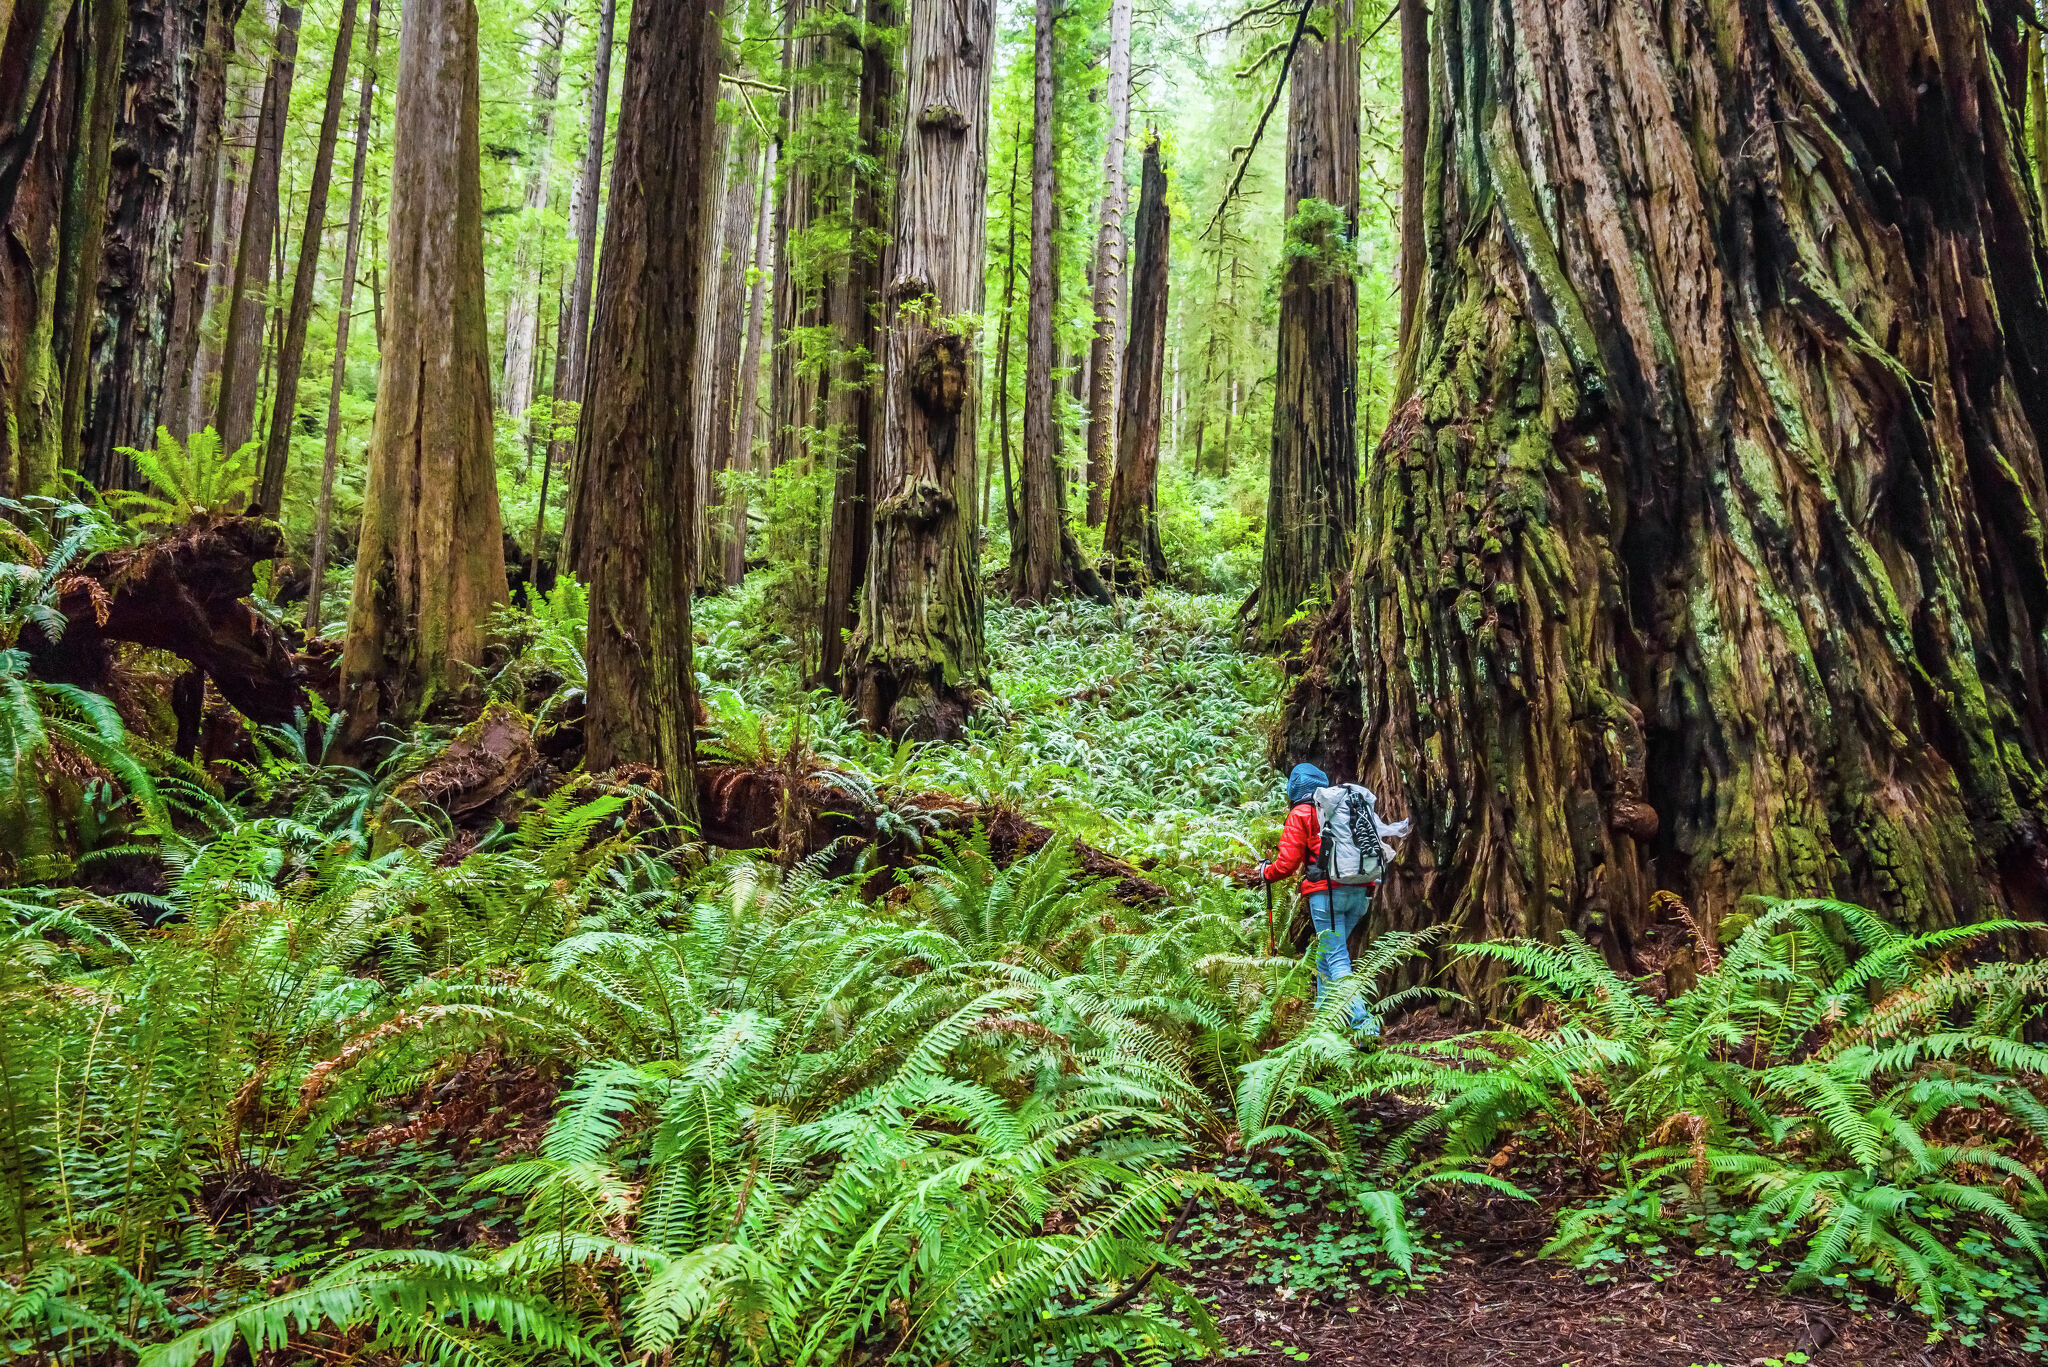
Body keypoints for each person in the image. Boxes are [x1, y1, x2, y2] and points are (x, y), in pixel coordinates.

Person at [1258, 762, 1379, 1036]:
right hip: (1360, 890)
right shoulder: (1344, 807)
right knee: (1327, 956)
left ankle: (1365, 1026)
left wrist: (1266, 873)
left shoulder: (1302, 813)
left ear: (1293, 789)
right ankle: (1323, 1027)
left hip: (1327, 896)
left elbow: (1286, 865)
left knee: (1336, 959)